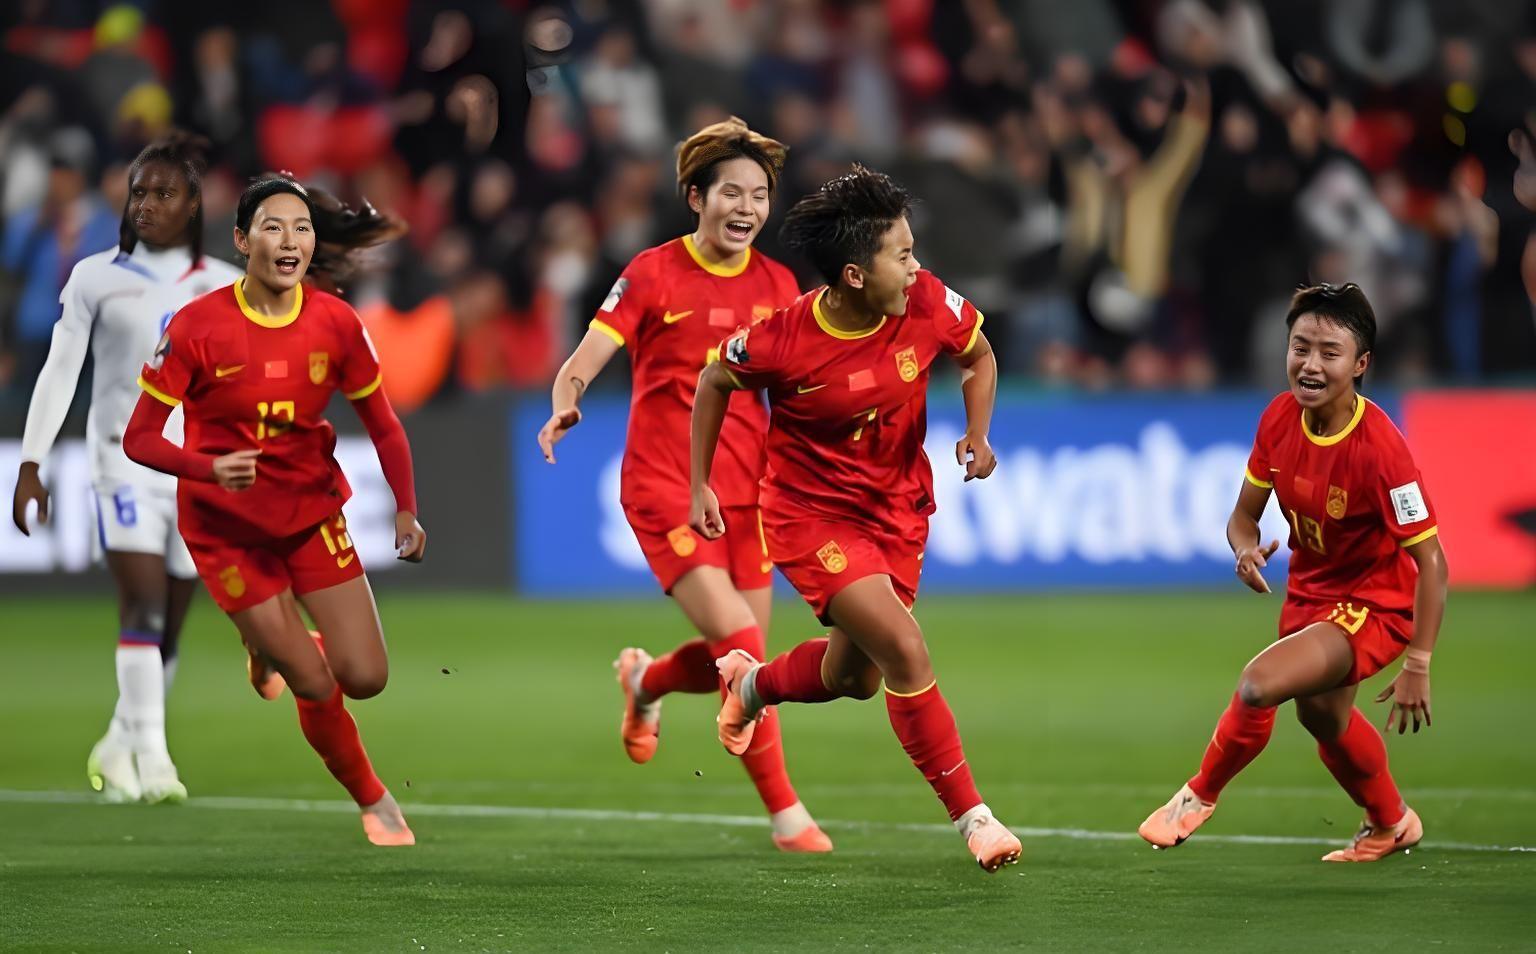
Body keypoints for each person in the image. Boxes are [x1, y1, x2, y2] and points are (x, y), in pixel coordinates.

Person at [690, 165, 1024, 873]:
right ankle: (975, 818)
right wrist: (701, 484)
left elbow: (978, 355)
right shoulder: (783, 341)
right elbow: (714, 379)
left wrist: (978, 430)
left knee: (856, 678)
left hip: (897, 510)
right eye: (901, 255)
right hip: (810, 516)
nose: (916, 267)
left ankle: (749, 686)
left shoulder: (926, 301)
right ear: (853, 275)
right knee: (905, 649)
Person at [536, 118, 830, 852]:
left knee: (743, 657)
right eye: (731, 192)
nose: (746, 207)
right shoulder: (652, 273)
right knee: (741, 644)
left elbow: (797, 389)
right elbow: (583, 359)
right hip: (665, 485)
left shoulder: (778, 284)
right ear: (697, 197)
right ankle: (787, 814)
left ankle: (646, 683)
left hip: (750, 492)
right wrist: (566, 401)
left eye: (759, 195)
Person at [121, 174, 425, 847]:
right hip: (227, 533)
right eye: (273, 226)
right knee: (314, 683)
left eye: (302, 228)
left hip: (309, 516)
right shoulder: (197, 327)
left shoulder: (336, 323)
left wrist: (406, 509)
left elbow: (384, 425)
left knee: (366, 677)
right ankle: (373, 799)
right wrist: (207, 468)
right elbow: (139, 438)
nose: (290, 240)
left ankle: (269, 645)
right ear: (242, 240)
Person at [1138, 283, 1447, 863]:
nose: (1310, 364)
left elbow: (1432, 561)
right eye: (1300, 347)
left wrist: (1419, 662)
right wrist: (1244, 551)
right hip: (1310, 594)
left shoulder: (1382, 449)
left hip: (1373, 604)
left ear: (1360, 364)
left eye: (1329, 353)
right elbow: (1242, 518)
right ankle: (1391, 822)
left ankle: (1198, 796)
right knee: (1324, 718)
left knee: (1259, 685)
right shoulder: (1280, 418)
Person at [13, 132, 245, 804]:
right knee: (140, 605)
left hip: (194, 471)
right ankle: (156, 761)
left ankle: (118, 743)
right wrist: (31, 462)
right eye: (138, 192)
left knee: (169, 621)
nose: (145, 203)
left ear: (192, 204)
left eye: (162, 193)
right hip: (121, 460)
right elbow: (61, 370)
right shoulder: (95, 278)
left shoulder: (224, 286)